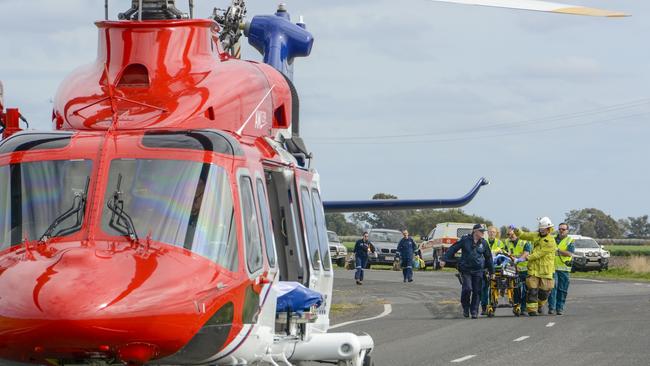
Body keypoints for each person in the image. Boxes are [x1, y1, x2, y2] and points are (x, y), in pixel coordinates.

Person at [441, 224, 494, 319]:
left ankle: (474, 310)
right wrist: (444, 259)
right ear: (475, 231)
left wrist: (492, 272)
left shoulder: (484, 243)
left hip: (478, 270)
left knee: (477, 291)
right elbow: (453, 248)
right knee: (467, 289)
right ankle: (466, 307)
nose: (483, 233)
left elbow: (488, 258)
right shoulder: (465, 240)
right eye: (481, 231)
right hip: (466, 269)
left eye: (483, 231)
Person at [513, 217, 557, 316]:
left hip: (545, 270)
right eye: (541, 228)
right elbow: (523, 235)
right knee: (532, 290)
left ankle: (540, 305)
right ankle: (532, 310)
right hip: (533, 269)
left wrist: (525, 258)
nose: (542, 230)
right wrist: (516, 230)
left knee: (544, 293)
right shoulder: (535, 235)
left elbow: (539, 254)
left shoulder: (551, 241)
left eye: (544, 228)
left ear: (549, 229)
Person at [480, 226, 510, 315]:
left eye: (493, 232)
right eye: (490, 232)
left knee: (494, 288)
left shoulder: (500, 243)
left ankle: (492, 305)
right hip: (484, 267)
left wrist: (499, 251)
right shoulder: (483, 242)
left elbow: (504, 253)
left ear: (496, 233)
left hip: (496, 268)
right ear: (487, 233)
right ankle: (484, 307)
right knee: (484, 288)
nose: (491, 233)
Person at [548, 222, 575, 315]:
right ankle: (552, 307)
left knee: (562, 289)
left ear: (567, 230)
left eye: (563, 229)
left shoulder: (570, 240)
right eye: (560, 229)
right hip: (552, 268)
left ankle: (560, 308)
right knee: (552, 287)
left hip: (564, 269)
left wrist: (558, 250)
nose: (561, 231)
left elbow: (569, 253)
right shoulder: (552, 239)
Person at [505, 228, 532, 315]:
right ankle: (516, 306)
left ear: (516, 234)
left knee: (525, 290)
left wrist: (518, 260)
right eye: (508, 235)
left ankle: (523, 307)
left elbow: (526, 254)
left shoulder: (525, 241)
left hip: (525, 270)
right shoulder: (507, 242)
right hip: (512, 270)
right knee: (515, 289)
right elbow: (505, 254)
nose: (510, 237)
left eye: (511, 235)